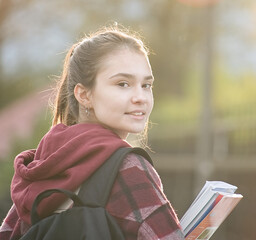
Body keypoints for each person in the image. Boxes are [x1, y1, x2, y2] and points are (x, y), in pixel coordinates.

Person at [0, 26, 185, 239]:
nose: (140, 97)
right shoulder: (127, 167)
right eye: (123, 84)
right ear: (84, 95)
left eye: (146, 85)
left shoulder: (42, 164)